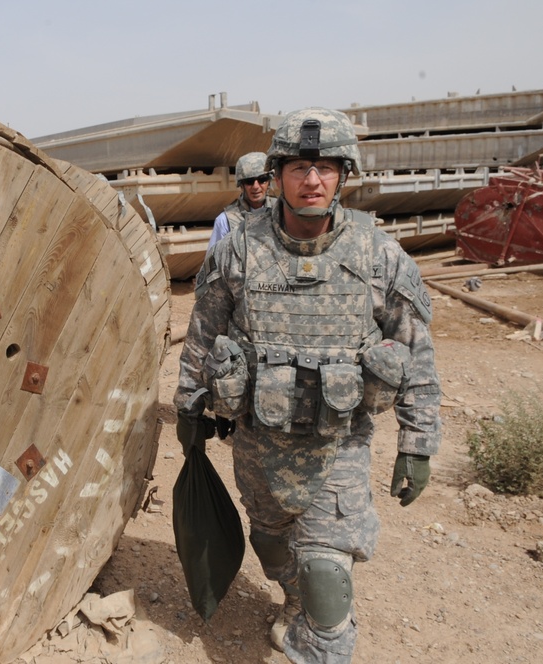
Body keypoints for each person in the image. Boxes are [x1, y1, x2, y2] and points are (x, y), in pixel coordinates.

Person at [174, 107, 441, 663]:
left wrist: (417, 444)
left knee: (324, 572)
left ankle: (318, 639)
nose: (312, 181)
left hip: (337, 444)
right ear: (278, 175)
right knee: (273, 546)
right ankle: (293, 600)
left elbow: (415, 354)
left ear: (345, 174)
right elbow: (203, 333)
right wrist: (190, 408)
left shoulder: (378, 255)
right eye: (299, 167)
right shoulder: (239, 249)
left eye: (326, 168)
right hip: (256, 443)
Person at [206, 151, 276, 252]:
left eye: (262, 179)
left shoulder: (281, 212)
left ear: (269, 182)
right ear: (241, 185)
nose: (256, 187)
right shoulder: (226, 221)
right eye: (249, 181)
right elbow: (213, 263)